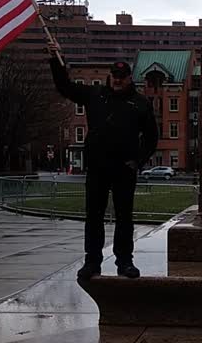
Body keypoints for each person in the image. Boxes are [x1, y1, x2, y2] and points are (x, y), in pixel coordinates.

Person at [48, 43, 159, 280]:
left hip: (124, 168)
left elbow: (151, 138)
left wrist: (137, 161)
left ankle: (125, 262)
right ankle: (92, 262)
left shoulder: (140, 103)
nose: (117, 80)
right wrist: (55, 61)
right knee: (94, 217)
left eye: (122, 77)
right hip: (98, 167)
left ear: (130, 78)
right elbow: (65, 87)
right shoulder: (94, 95)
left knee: (124, 218)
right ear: (110, 76)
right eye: (114, 76)